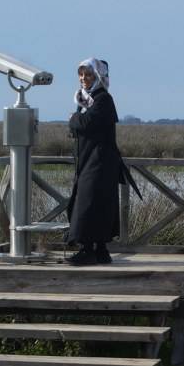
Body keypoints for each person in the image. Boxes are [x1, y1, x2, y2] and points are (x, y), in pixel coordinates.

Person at [66, 57, 123, 265]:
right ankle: (100, 250)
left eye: (89, 74)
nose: (84, 78)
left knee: (88, 203)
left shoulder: (103, 99)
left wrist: (73, 119)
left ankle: (87, 250)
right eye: (81, 74)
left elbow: (88, 122)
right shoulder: (86, 99)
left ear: (98, 76)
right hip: (92, 160)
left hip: (100, 162)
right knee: (98, 203)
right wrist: (76, 121)